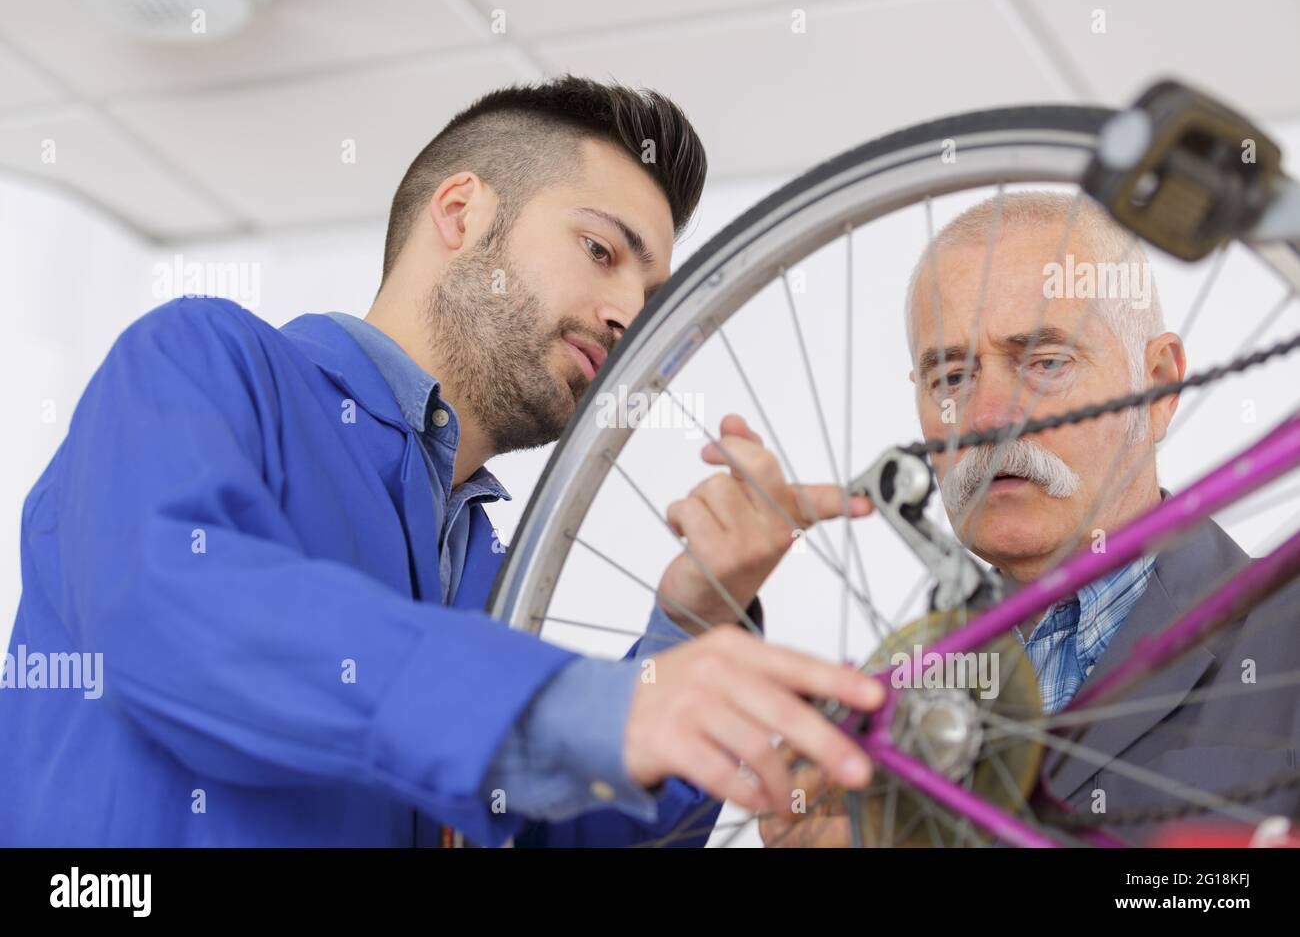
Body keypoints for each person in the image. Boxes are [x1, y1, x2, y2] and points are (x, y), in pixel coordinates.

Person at [0, 76, 886, 847]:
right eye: (601, 251)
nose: (629, 316)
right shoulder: (204, 357)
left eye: (650, 296)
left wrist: (695, 622)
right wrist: (578, 706)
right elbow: (174, 616)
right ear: (461, 214)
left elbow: (547, 831)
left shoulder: (484, 561)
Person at [762, 191, 1300, 846]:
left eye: (1045, 363)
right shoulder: (903, 702)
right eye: (952, 377)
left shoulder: (1283, 643)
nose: (987, 417)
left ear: (1158, 386)